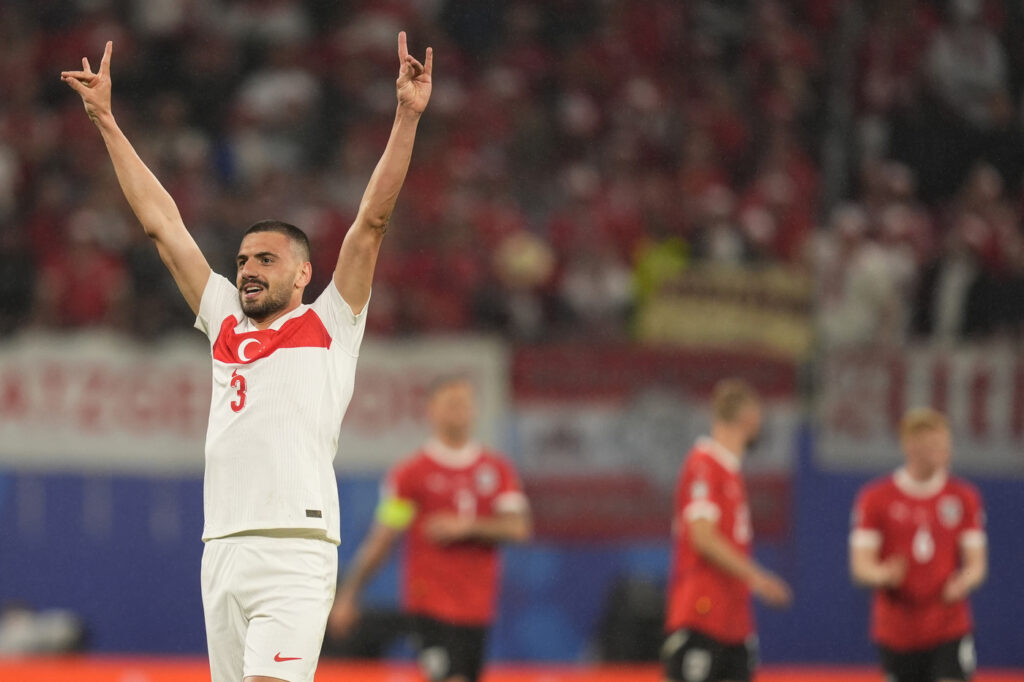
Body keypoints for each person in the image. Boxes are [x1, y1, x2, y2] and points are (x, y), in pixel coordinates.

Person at [61, 32, 433, 682]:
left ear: (304, 274)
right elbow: (163, 225)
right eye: (241, 261)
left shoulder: (331, 321)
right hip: (222, 548)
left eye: (266, 259)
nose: (248, 270)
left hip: (296, 548)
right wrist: (107, 122)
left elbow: (371, 222)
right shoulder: (224, 319)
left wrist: (406, 115)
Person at [327, 375, 531, 682]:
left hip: (478, 607)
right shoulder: (411, 474)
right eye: (451, 404)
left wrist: (467, 528)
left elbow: (518, 528)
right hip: (429, 605)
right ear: (431, 410)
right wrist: (350, 593)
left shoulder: (496, 470)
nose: (459, 411)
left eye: (465, 404)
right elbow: (384, 537)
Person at [662, 378, 792, 682]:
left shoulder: (730, 472)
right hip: (702, 614)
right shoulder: (705, 465)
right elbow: (703, 537)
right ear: (748, 418)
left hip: (734, 621)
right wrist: (758, 577)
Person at [849, 407, 987, 682]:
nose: (944, 451)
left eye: (945, 444)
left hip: (949, 627)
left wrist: (963, 581)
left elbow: (977, 564)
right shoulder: (876, 497)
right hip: (897, 631)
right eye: (934, 445)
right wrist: (883, 574)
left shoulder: (963, 497)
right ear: (910, 446)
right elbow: (860, 566)